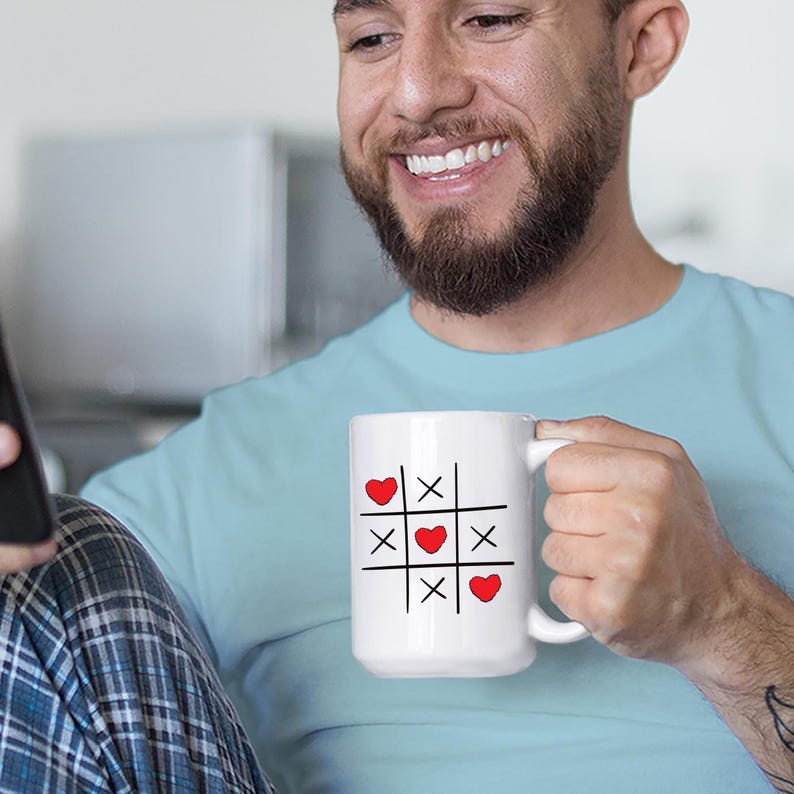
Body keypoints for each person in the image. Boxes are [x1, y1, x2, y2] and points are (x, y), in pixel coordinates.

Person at [1, 0, 793, 791]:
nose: (416, 92)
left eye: (490, 19)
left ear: (642, 46)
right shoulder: (217, 466)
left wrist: (724, 619)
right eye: (373, 38)